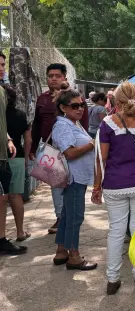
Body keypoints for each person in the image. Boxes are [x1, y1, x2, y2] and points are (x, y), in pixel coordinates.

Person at [91, 82, 135, 294]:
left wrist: (96, 187)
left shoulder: (107, 125)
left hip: (113, 186)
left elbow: (100, 159)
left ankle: (112, 280)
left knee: (116, 232)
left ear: (115, 101)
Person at [31, 63, 89, 234]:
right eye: (50, 76)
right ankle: (60, 218)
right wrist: (33, 148)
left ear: (65, 77)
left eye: (57, 75)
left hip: (72, 149)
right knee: (56, 184)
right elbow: (36, 124)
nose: (54, 79)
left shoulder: (75, 97)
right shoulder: (42, 99)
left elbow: (83, 124)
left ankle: (71, 217)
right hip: (51, 150)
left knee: (73, 184)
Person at [51, 82, 97, 271]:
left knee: (67, 214)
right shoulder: (62, 126)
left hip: (76, 177)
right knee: (75, 217)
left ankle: (61, 251)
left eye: (82, 105)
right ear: (63, 108)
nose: (80, 109)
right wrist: (91, 144)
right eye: (75, 106)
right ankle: (74, 256)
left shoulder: (72, 123)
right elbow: (69, 153)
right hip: (73, 178)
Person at [0, 53, 27, 255]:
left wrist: (8, 139)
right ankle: (13, 233)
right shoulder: (19, 114)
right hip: (10, 157)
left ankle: (3, 238)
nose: (2, 68)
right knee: (9, 196)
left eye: (3, 65)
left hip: (5, 155)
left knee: (3, 197)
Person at [2, 85, 32, 243]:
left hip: (2, 157)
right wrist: (26, 158)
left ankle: (2, 235)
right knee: (15, 195)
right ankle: (20, 232)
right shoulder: (21, 115)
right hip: (17, 158)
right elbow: (28, 139)